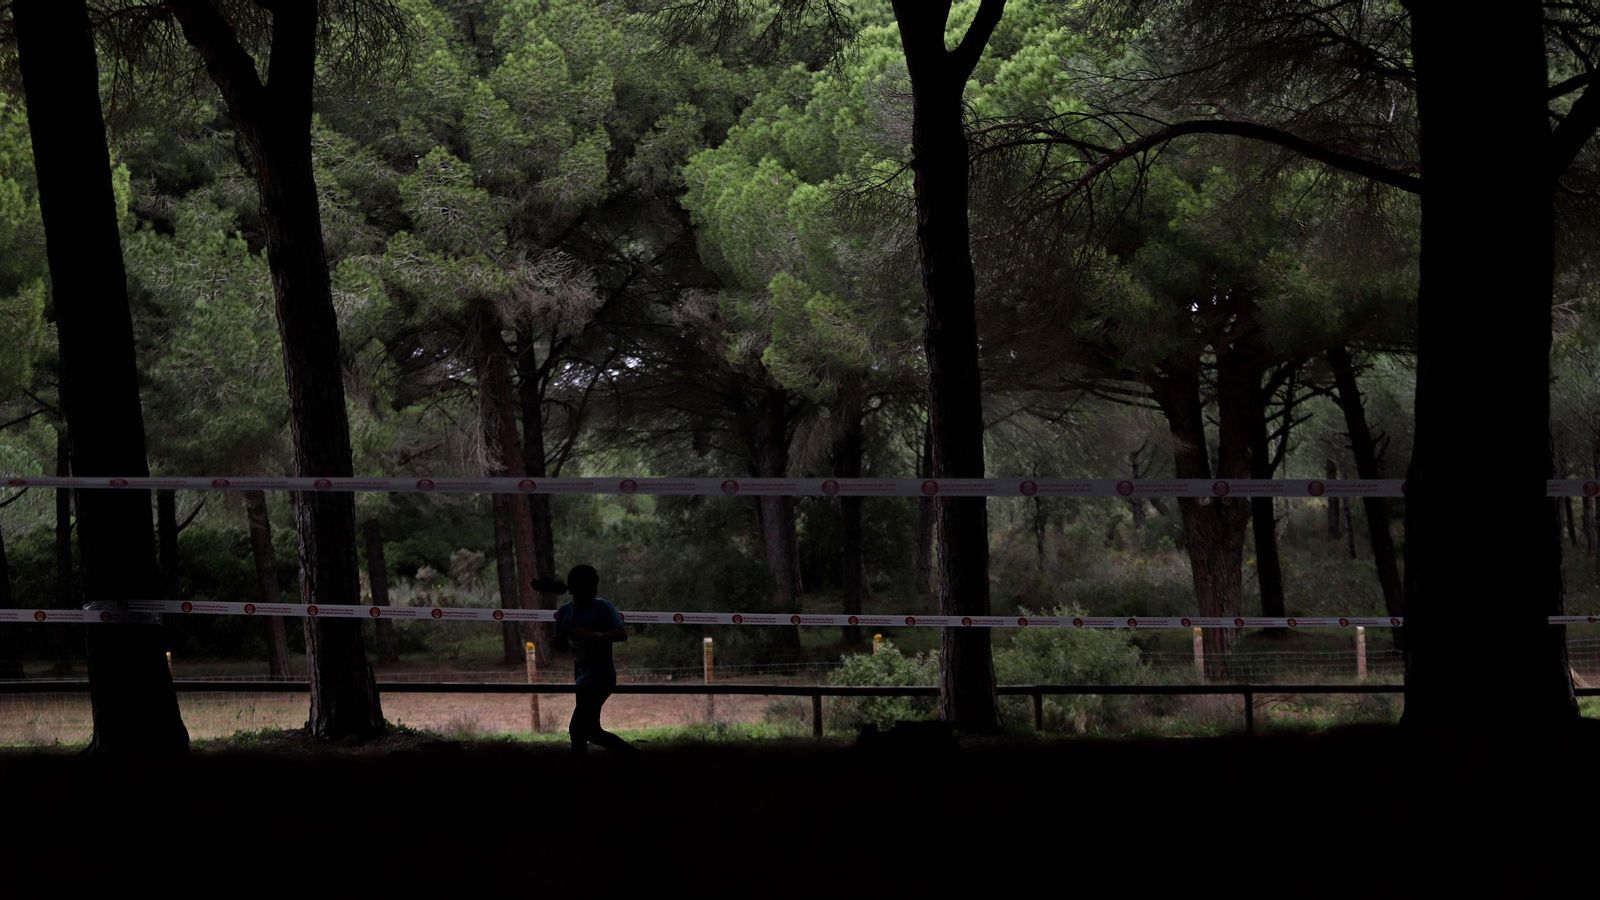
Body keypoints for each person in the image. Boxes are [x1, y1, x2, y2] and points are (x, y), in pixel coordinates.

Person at [537, 565, 636, 754]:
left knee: (578, 729)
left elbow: (621, 634)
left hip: (602, 677)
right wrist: (558, 640)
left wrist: (593, 636)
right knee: (590, 730)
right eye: (590, 585)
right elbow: (562, 648)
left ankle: (632, 757)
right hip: (582, 678)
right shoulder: (565, 612)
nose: (594, 590)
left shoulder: (603, 607)